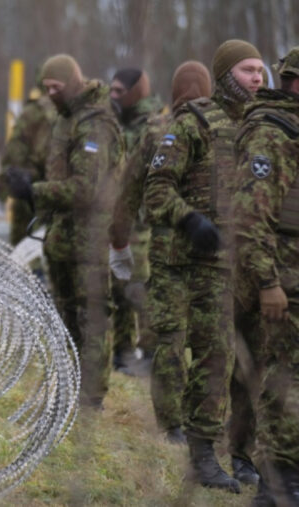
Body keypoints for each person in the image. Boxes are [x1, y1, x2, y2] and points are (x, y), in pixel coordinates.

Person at [143, 39, 264, 493]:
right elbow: (156, 189)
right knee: (211, 353)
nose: (258, 78)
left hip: (244, 265)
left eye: (261, 71)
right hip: (194, 263)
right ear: (227, 73)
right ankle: (202, 457)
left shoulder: (261, 128)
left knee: (237, 360)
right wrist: (188, 218)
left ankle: (237, 454)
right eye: (249, 70)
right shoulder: (193, 124)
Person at [7, 54, 124, 408]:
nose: (51, 94)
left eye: (56, 88)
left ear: (73, 84)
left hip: (90, 237)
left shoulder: (94, 125)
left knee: (91, 316)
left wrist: (35, 191)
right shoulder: (66, 120)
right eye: (46, 89)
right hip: (62, 233)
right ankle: (69, 386)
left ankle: (90, 397)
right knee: (65, 315)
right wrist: (29, 183)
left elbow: (86, 189)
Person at [111, 61, 212, 442]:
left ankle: (173, 426)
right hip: (213, 252)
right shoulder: (222, 130)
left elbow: (126, 195)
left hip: (166, 250)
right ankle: (206, 424)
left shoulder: (155, 131)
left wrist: (118, 242)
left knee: (168, 340)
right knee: (210, 342)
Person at [231, 46, 299, 505]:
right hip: (284, 281)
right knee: (284, 380)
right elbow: (249, 218)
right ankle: (278, 481)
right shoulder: (270, 133)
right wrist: (268, 283)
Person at [107, 68, 165, 372]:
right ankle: (123, 350)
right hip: (118, 216)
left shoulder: (153, 125)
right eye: (112, 90)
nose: (113, 96)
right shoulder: (115, 122)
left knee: (140, 284)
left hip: (144, 219)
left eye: (119, 91)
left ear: (135, 92)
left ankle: (149, 350)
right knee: (119, 284)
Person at [0, 64, 58, 245]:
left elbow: (14, 152)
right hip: (63, 193)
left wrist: (1, 189)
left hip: (29, 189)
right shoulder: (77, 110)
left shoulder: (33, 112)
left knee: (23, 252)